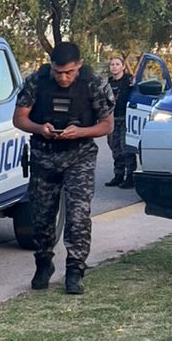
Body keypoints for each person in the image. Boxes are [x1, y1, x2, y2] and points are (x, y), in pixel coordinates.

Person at [13, 41, 115, 295]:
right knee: (41, 217)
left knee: (78, 215)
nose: (63, 78)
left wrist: (81, 132)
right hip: (43, 156)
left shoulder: (94, 84)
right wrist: (40, 128)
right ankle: (43, 263)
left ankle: (75, 269)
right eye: (58, 72)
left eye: (69, 72)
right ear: (51, 66)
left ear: (79, 65)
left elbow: (107, 125)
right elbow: (19, 118)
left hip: (79, 157)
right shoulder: (37, 81)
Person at [102, 55, 136, 188]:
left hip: (126, 118)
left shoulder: (129, 80)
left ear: (123, 67)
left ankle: (130, 177)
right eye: (112, 64)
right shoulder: (107, 83)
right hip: (112, 118)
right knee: (115, 148)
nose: (114, 67)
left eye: (117, 64)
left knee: (126, 148)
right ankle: (118, 175)